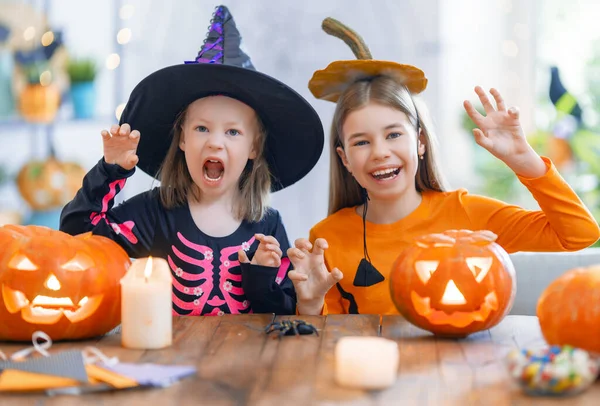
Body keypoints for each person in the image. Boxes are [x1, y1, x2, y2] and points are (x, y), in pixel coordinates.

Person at [286, 17, 600, 315]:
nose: (380, 152)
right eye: (361, 142)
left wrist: (525, 162)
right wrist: (311, 305)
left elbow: (578, 235)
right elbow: (326, 342)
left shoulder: (467, 214)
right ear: (344, 159)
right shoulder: (327, 238)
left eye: (394, 134)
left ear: (420, 142)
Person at [60, 5, 325, 316]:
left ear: (254, 148)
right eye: (202, 128)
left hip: (245, 362)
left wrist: (261, 277)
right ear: (182, 139)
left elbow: (283, 313)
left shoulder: (267, 226)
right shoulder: (153, 213)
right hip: (170, 359)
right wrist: (111, 171)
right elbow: (77, 235)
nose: (215, 141)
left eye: (233, 132)